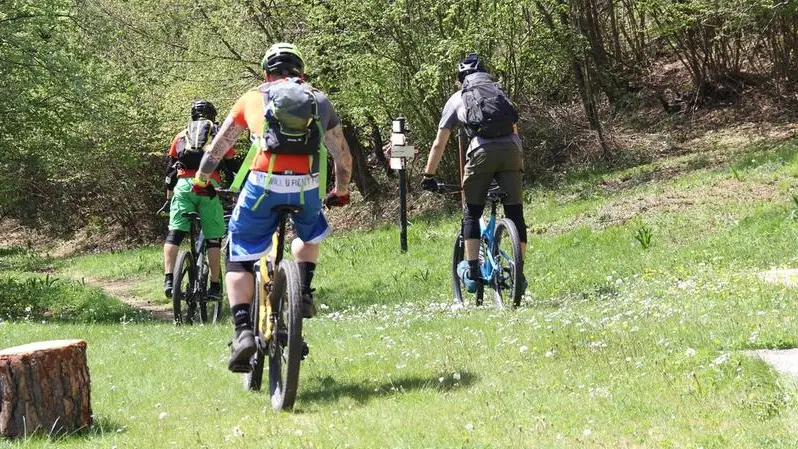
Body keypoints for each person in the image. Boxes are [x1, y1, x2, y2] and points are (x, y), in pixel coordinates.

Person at [192, 43, 353, 372]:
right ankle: (303, 291)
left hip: (264, 185)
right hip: (306, 187)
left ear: (266, 72)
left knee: (238, 253)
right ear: (301, 73)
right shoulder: (319, 100)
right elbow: (343, 157)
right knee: (310, 235)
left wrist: (202, 179)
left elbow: (218, 148)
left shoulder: (253, 97)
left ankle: (242, 332)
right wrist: (341, 190)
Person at [421, 52, 527, 293]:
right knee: (515, 213)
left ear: (461, 79)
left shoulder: (457, 98)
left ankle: (472, 272)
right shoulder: (500, 94)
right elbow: (515, 132)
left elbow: (439, 143)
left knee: (472, 212)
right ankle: (519, 276)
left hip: (481, 153)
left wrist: (428, 176)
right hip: (512, 151)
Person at [162, 100, 236, 301]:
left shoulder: (180, 136)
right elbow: (231, 165)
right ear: (213, 116)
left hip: (183, 187)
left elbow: (170, 172)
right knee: (213, 239)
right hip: (207, 186)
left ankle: (169, 279)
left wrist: (169, 200)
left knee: (175, 233)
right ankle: (214, 286)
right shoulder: (219, 135)